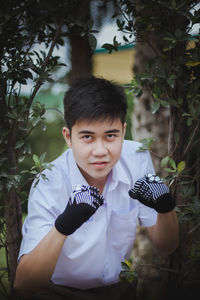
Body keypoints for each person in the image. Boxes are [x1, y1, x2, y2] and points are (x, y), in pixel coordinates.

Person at [14, 76, 179, 299]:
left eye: (111, 135)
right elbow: (24, 285)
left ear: (123, 130)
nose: (100, 151)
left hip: (118, 289)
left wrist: (165, 209)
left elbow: (166, 246)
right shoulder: (49, 182)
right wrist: (63, 226)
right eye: (87, 137)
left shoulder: (136, 158)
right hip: (55, 292)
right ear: (68, 137)